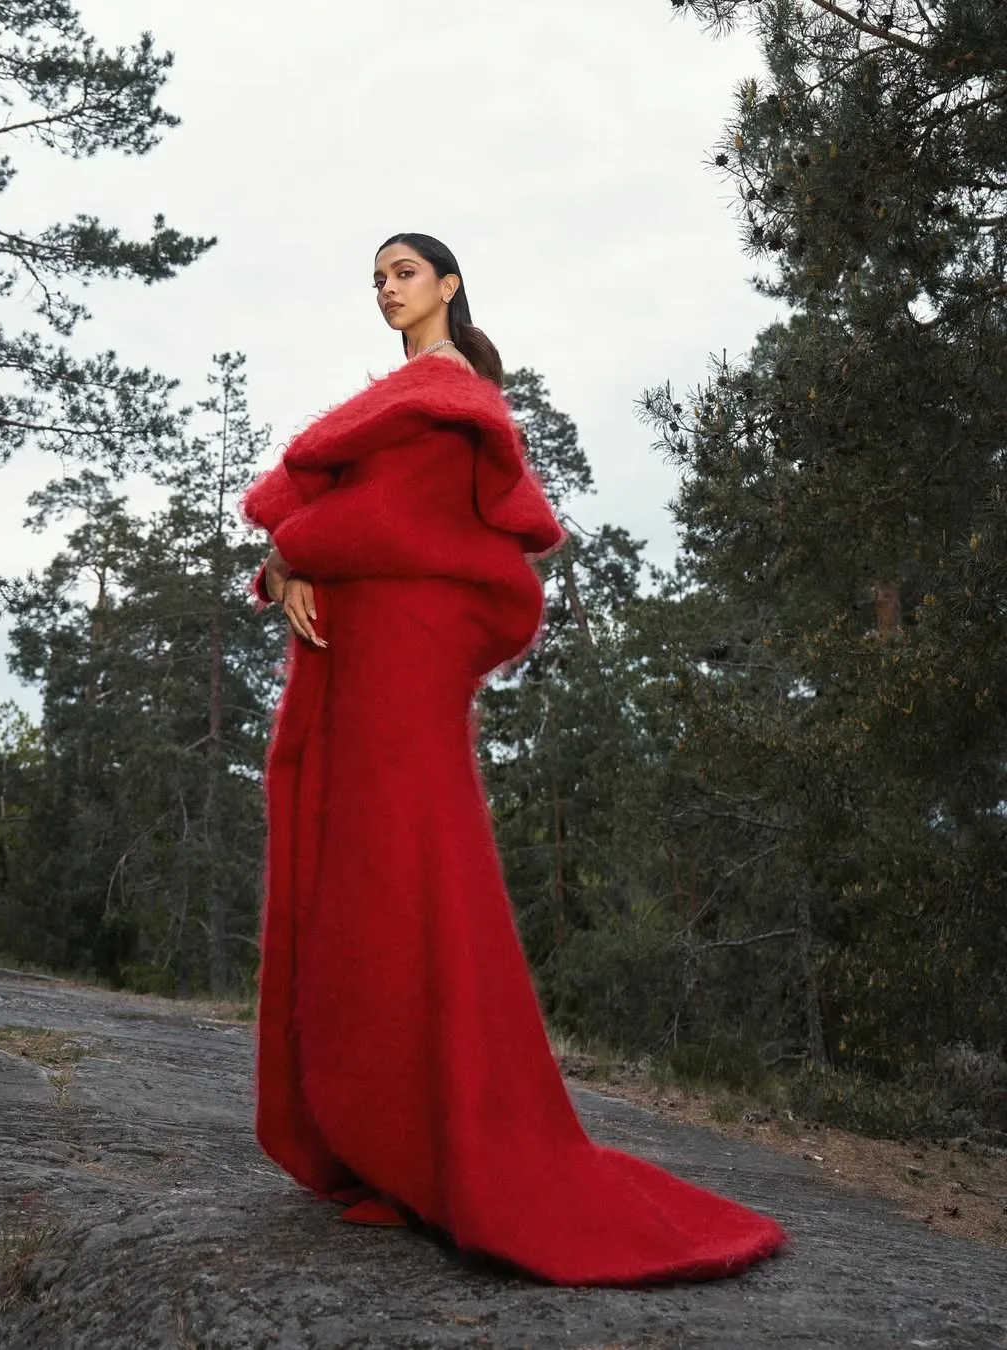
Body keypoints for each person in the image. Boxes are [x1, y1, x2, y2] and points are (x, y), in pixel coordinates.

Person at [242, 232, 787, 1285]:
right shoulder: (403, 398)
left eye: (403, 273)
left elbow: (395, 521)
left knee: (410, 877)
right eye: (376, 280)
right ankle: (397, 1142)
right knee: (366, 886)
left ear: (448, 285)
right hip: (359, 654)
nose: (387, 291)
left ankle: (444, 1147)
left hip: (401, 666)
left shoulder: (452, 398)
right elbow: (342, 518)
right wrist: (288, 559)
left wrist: (289, 546)